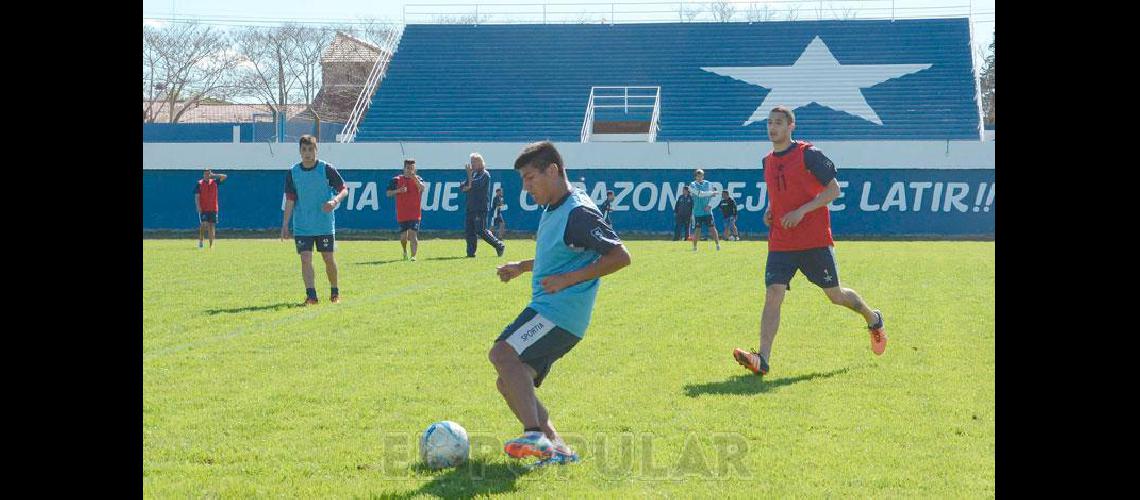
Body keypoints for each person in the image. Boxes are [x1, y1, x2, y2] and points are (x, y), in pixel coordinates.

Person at [492, 141, 631, 464]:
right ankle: (559, 449)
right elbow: (561, 251)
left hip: (559, 312)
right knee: (509, 381)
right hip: (555, 312)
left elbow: (620, 256)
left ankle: (534, 435)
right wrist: (521, 268)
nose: (526, 188)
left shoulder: (578, 212)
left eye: (530, 178)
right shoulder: (557, 206)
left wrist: (567, 281)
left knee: (502, 353)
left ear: (552, 171)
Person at [733, 106, 887, 377]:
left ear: (791, 126)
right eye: (769, 123)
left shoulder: (808, 154)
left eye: (778, 123)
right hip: (781, 241)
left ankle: (872, 318)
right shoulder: (767, 161)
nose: (772, 128)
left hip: (814, 240)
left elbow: (834, 190)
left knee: (835, 295)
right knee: (773, 295)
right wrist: (771, 210)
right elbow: (778, 193)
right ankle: (763, 359)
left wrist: (802, 210)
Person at [280, 135, 349, 305]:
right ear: (300, 151)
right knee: (305, 258)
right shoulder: (293, 172)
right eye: (304, 150)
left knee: (328, 258)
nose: (307, 153)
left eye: (310, 149)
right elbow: (290, 199)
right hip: (302, 225)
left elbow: (344, 189)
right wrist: (285, 225)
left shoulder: (326, 169)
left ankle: (335, 292)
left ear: (316, 150)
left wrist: (334, 201)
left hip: (324, 224)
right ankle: (311, 296)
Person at [461, 153, 506, 257]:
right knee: (470, 231)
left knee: (481, 231)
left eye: (473, 162)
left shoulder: (485, 174)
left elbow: (475, 185)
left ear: (480, 162)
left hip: (479, 208)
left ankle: (499, 245)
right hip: (470, 207)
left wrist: (469, 180)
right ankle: (470, 253)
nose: (471, 164)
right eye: (471, 162)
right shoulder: (473, 174)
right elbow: (464, 186)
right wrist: (467, 183)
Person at [386, 158, 426, 261]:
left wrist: (414, 178)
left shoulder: (418, 178)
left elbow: (422, 188)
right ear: (404, 168)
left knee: (413, 234)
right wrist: (398, 191)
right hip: (402, 212)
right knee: (403, 237)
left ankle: (413, 256)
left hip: (415, 212)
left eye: (412, 168)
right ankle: (404, 250)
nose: (410, 170)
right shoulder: (396, 180)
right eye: (408, 168)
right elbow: (388, 193)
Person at [194, 169, 227, 249]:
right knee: (204, 224)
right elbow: (197, 196)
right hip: (204, 209)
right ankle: (201, 241)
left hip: (213, 208)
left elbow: (225, 176)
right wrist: (198, 206)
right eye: (205, 174)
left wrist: (214, 175)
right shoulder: (199, 183)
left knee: (212, 226)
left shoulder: (215, 182)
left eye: (208, 174)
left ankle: (211, 245)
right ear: (203, 174)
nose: (207, 175)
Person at [689, 169, 721, 251]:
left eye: (701, 176)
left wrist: (710, 205)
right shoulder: (692, 185)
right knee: (697, 229)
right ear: (695, 176)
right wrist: (712, 193)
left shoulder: (709, 184)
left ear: (703, 176)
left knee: (712, 228)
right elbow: (700, 194)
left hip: (707, 212)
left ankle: (718, 245)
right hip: (697, 211)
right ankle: (695, 247)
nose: (699, 177)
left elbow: (716, 195)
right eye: (698, 176)